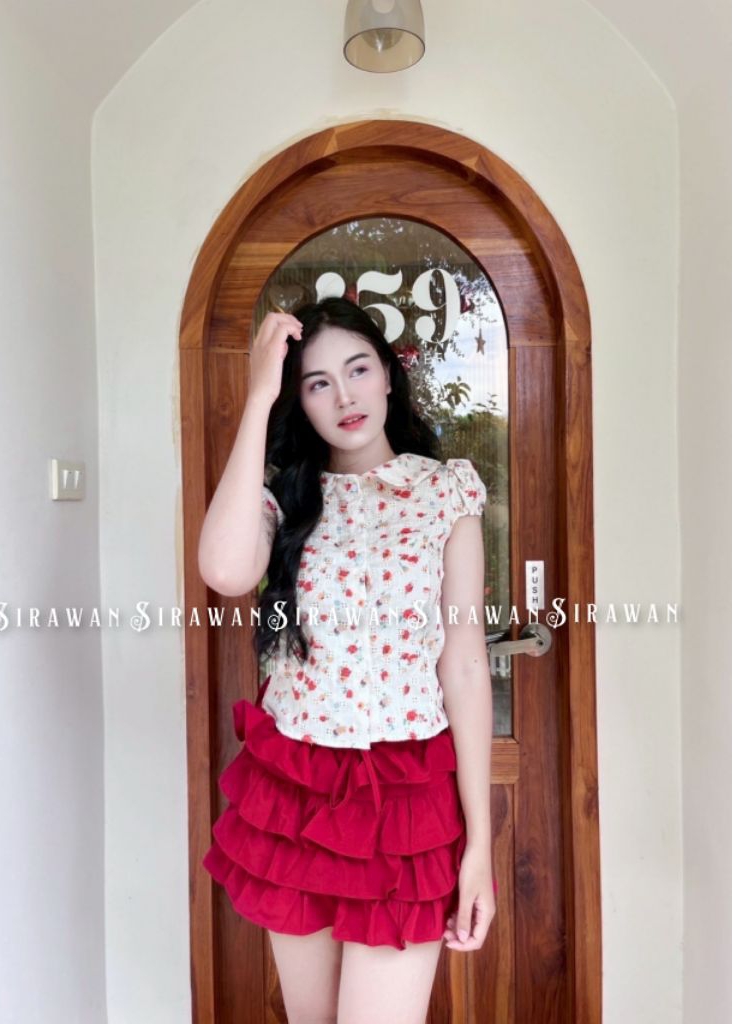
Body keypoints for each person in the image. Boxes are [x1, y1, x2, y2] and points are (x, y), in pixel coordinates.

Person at [199, 297, 497, 1024]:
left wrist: (480, 846)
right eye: (317, 382)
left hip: (406, 799)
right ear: (299, 401)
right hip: (297, 790)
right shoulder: (285, 499)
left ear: (389, 376)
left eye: (358, 370)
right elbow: (225, 572)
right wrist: (258, 395)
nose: (344, 396)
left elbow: (464, 664)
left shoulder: (445, 492)